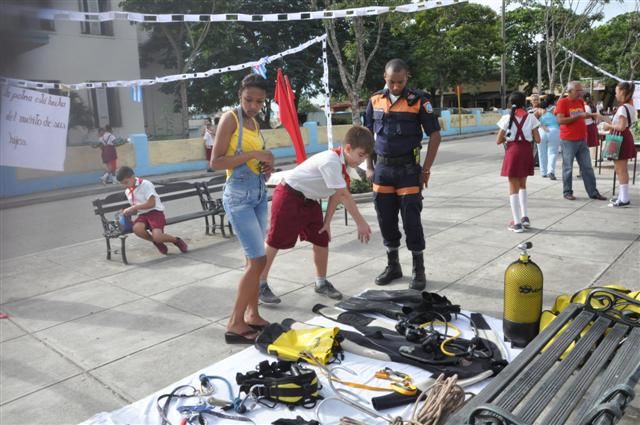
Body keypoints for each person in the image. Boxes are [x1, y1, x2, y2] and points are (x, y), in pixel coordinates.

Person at [258, 126, 374, 304]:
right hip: (289, 195)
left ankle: (321, 282)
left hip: (309, 200)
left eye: (366, 157)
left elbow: (336, 195)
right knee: (275, 240)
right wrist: (361, 222)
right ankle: (260, 284)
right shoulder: (331, 161)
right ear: (348, 148)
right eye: (361, 155)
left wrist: (326, 223)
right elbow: (343, 194)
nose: (362, 160)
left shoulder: (342, 164)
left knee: (321, 237)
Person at [364, 58, 442, 290]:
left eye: (400, 82)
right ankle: (393, 265)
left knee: (411, 219)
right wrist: (369, 166)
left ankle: (418, 269)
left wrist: (426, 169)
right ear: (384, 78)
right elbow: (367, 134)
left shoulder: (419, 101)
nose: (396, 86)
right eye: (392, 82)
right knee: (385, 218)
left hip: (408, 169)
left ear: (407, 77)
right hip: (383, 169)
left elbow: (435, 135)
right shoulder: (375, 100)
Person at [209, 74, 274, 344]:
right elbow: (216, 161)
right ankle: (235, 322)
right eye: (249, 99)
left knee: (253, 260)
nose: (253, 106)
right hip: (238, 196)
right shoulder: (230, 118)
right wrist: (253, 155)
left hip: (258, 193)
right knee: (258, 260)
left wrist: (267, 166)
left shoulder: (254, 122)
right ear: (240, 95)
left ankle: (253, 314)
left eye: (259, 101)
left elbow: (257, 157)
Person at [116, 166, 189, 255]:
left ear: (132, 176)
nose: (125, 185)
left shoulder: (145, 184)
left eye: (126, 182)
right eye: (122, 184)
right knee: (137, 229)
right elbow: (136, 209)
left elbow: (151, 204)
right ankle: (156, 242)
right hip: (143, 215)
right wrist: (127, 212)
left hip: (155, 212)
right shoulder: (128, 191)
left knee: (158, 236)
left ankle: (176, 240)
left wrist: (133, 208)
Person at [496, 91, 541, 233]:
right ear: (524, 102)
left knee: (512, 187)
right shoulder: (531, 117)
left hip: (513, 151)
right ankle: (524, 217)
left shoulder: (506, 117)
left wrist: (509, 137)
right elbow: (538, 139)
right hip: (526, 151)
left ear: (511, 103)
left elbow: (498, 140)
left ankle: (516, 223)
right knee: (522, 184)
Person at [555, 81, 607, 201]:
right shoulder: (563, 102)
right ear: (569, 91)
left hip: (582, 138)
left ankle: (593, 192)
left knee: (587, 167)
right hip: (568, 139)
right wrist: (578, 116)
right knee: (568, 167)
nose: (580, 92)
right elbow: (560, 120)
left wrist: (592, 115)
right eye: (578, 90)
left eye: (581, 90)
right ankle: (567, 192)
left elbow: (582, 115)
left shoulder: (580, 102)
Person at [600, 82, 637, 207]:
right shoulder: (630, 106)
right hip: (624, 137)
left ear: (622, 92)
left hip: (619, 138)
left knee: (620, 170)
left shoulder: (622, 108)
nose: (615, 95)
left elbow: (620, 127)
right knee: (622, 169)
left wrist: (608, 125)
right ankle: (622, 196)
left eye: (616, 92)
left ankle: (624, 198)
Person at [538, 94, 561, 180]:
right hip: (554, 131)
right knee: (552, 152)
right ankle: (550, 171)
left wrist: (542, 125)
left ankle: (543, 172)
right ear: (554, 101)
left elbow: (532, 119)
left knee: (541, 152)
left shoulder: (540, 110)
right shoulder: (556, 109)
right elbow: (560, 120)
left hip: (541, 131)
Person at [583, 92, 600, 164]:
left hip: (585, 128)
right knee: (590, 147)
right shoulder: (594, 106)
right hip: (592, 126)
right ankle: (591, 161)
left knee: (584, 148)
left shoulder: (584, 107)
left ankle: (585, 165)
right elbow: (598, 119)